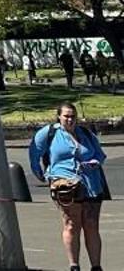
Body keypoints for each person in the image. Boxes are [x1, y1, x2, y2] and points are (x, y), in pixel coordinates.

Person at [31, 102, 107, 271]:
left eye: (73, 116)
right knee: (71, 224)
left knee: (91, 223)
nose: (70, 119)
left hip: (91, 184)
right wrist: (41, 174)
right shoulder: (49, 133)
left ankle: (96, 266)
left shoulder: (86, 133)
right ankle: (74, 265)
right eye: (66, 116)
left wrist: (95, 162)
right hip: (65, 186)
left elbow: (100, 155)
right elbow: (34, 153)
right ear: (59, 116)